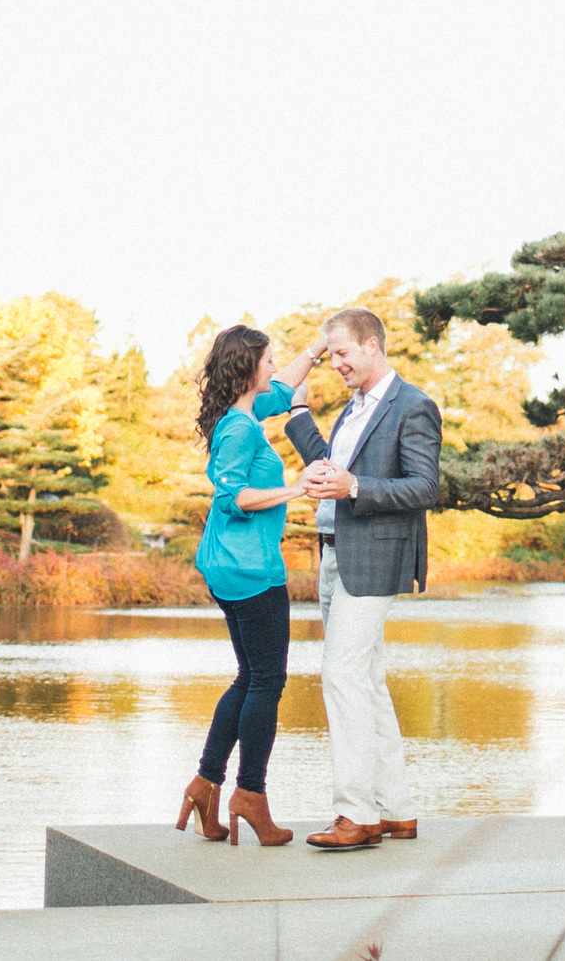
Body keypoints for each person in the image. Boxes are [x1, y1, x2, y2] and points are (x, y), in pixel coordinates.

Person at [283, 306, 441, 850]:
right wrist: (298, 414)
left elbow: (424, 488)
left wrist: (354, 489)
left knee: (342, 675)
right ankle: (397, 810)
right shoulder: (353, 409)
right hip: (333, 554)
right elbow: (334, 469)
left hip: (375, 559)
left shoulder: (414, 406)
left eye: (343, 353)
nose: (337, 365)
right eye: (331, 356)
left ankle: (357, 815)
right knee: (367, 682)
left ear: (372, 346)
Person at [180, 324, 327, 847]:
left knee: (248, 678)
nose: (274, 366)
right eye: (268, 360)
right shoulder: (240, 430)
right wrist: (294, 488)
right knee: (267, 681)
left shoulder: (241, 414)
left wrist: (317, 350)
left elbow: (285, 389)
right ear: (248, 369)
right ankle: (251, 794)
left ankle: (205, 782)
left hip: (225, 567)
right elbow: (233, 498)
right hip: (250, 570)